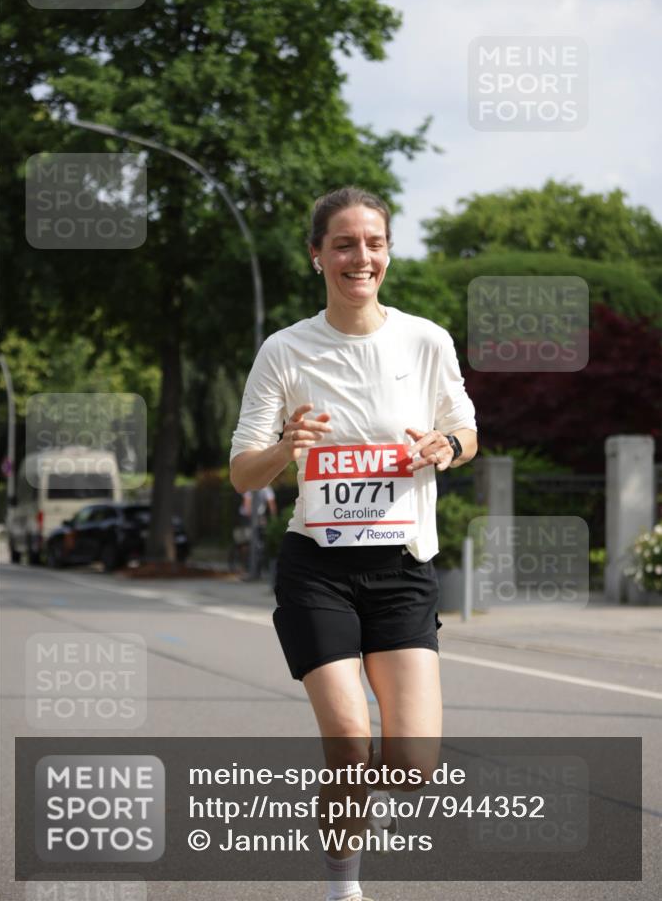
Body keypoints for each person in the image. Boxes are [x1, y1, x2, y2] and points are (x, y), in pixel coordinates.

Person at [230, 187, 478, 901]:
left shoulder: (425, 339)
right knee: (348, 742)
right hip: (318, 572)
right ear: (316, 256)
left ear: (387, 252)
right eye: (342, 243)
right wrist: (286, 445)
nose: (358, 256)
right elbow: (241, 470)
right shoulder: (284, 350)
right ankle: (343, 885)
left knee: (410, 766)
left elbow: (465, 430)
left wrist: (446, 444)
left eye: (372, 242)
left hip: (402, 569)